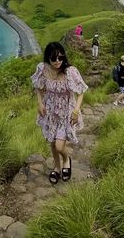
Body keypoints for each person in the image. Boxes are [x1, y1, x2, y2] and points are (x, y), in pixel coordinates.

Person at [31, 41, 89, 185]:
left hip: (65, 113)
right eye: (54, 58)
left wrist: (76, 111)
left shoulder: (70, 72)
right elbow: (38, 86)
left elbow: (81, 92)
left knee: (59, 146)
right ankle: (56, 167)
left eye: (60, 58)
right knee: (52, 142)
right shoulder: (43, 69)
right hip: (50, 111)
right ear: (48, 58)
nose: (58, 61)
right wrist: (39, 103)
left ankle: (66, 159)